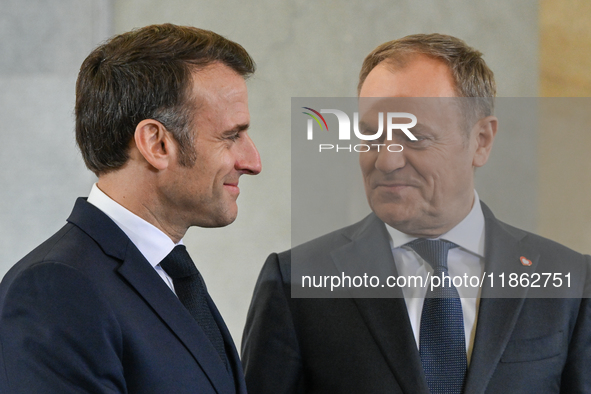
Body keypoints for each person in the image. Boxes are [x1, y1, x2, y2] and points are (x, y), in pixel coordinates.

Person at [241, 34, 590, 394]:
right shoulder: (293, 282)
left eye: (414, 137)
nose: (387, 160)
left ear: (481, 140)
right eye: (372, 135)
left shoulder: (571, 281)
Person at [0, 23, 261, 393]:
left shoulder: (171, 275)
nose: (252, 161)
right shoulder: (54, 290)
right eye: (231, 136)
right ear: (156, 143)